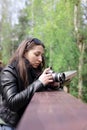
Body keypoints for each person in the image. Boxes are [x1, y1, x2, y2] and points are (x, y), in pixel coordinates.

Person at [0, 37, 60, 130]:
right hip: (10, 124)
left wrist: (52, 84)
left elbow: (35, 91)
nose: (40, 59)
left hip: (28, 120)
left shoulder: (33, 71)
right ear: (24, 52)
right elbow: (12, 103)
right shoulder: (8, 72)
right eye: (37, 54)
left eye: (42, 55)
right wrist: (39, 82)